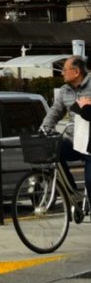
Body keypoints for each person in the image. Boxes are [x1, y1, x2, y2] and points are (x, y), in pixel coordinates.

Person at [39, 55, 91, 197]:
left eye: (64, 70)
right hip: (75, 141)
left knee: (90, 182)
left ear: (76, 72)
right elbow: (54, 112)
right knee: (54, 150)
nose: (62, 73)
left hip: (90, 145)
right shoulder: (64, 90)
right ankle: (72, 193)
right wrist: (44, 129)